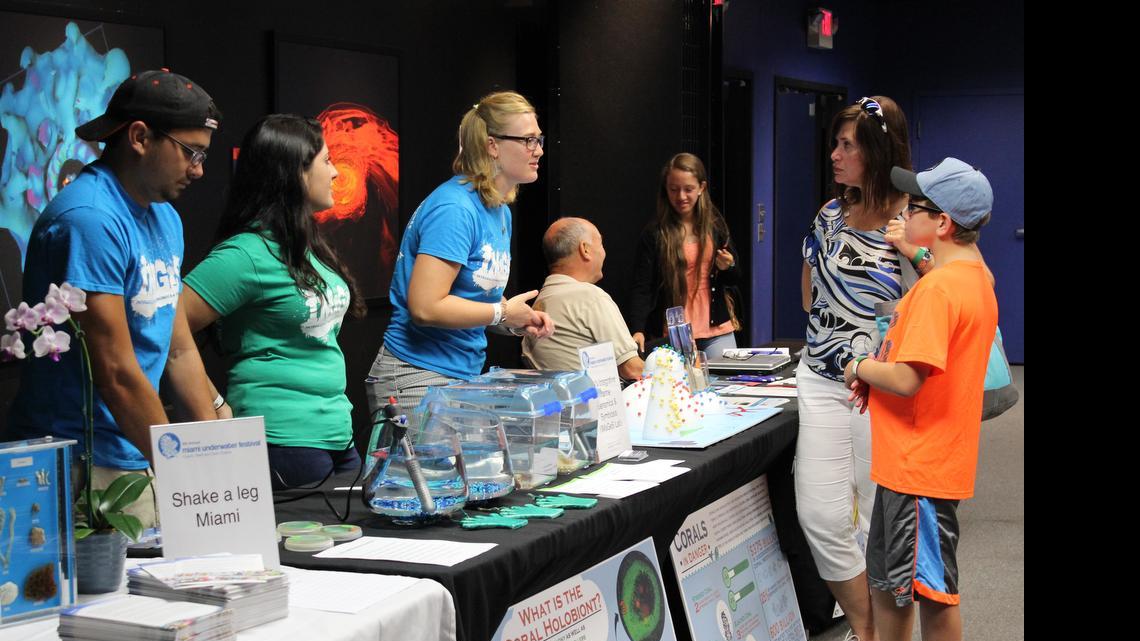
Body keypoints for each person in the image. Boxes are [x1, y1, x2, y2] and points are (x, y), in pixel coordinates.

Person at [4, 69, 224, 528]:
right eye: (191, 153)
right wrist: (185, 468)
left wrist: (215, 459)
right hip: (78, 464)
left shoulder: (165, 218)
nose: (199, 170)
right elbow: (117, 373)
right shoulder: (90, 219)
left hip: (135, 451)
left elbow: (179, 349)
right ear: (140, 137)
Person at [844, 158, 997, 641]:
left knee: (932, 592)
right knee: (894, 587)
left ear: (943, 223)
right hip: (918, 463)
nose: (904, 213)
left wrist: (858, 366)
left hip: (918, 468)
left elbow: (909, 379)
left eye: (915, 207)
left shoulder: (941, 290)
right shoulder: (975, 278)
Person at [795, 96, 930, 641]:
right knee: (821, 516)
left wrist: (912, 255)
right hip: (822, 379)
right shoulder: (829, 216)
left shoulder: (914, 219)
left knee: (881, 522)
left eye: (847, 145)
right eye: (836, 142)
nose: (834, 154)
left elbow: (949, 297)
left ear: (876, 152)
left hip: (885, 389)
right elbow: (808, 301)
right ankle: (866, 626)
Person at [179, 115, 366, 489]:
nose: (335, 173)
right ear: (295, 172)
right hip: (281, 440)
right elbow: (166, 327)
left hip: (336, 432)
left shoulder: (306, 244)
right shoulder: (245, 254)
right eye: (326, 161)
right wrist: (214, 403)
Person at [364, 91, 554, 418]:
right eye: (528, 140)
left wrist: (514, 320)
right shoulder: (455, 208)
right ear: (492, 145)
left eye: (538, 139)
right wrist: (502, 313)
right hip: (416, 374)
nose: (538, 150)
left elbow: (472, 300)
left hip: (460, 374)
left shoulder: (498, 210)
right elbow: (425, 307)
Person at [629, 152, 740, 357]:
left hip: (716, 328)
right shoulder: (655, 233)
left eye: (688, 189)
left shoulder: (716, 227)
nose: (681, 197)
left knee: (727, 384)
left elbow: (734, 278)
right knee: (677, 386)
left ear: (701, 188)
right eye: (674, 189)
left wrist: (729, 266)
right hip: (673, 331)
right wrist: (637, 328)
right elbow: (642, 286)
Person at [523, 217, 643, 380]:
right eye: (600, 243)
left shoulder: (537, 305)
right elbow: (633, 370)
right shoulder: (590, 297)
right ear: (585, 249)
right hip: (597, 404)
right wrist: (686, 372)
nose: (604, 252)